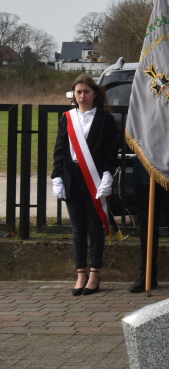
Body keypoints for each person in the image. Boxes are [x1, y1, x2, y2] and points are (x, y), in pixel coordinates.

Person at [51, 74, 117, 296]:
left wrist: (108, 176)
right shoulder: (67, 118)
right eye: (78, 92)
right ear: (74, 95)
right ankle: (81, 273)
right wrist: (57, 176)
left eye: (86, 92)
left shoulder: (106, 119)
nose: (82, 96)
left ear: (95, 93)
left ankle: (95, 273)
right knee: (78, 229)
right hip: (72, 178)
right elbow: (59, 150)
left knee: (94, 227)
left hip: (95, 179)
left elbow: (110, 152)